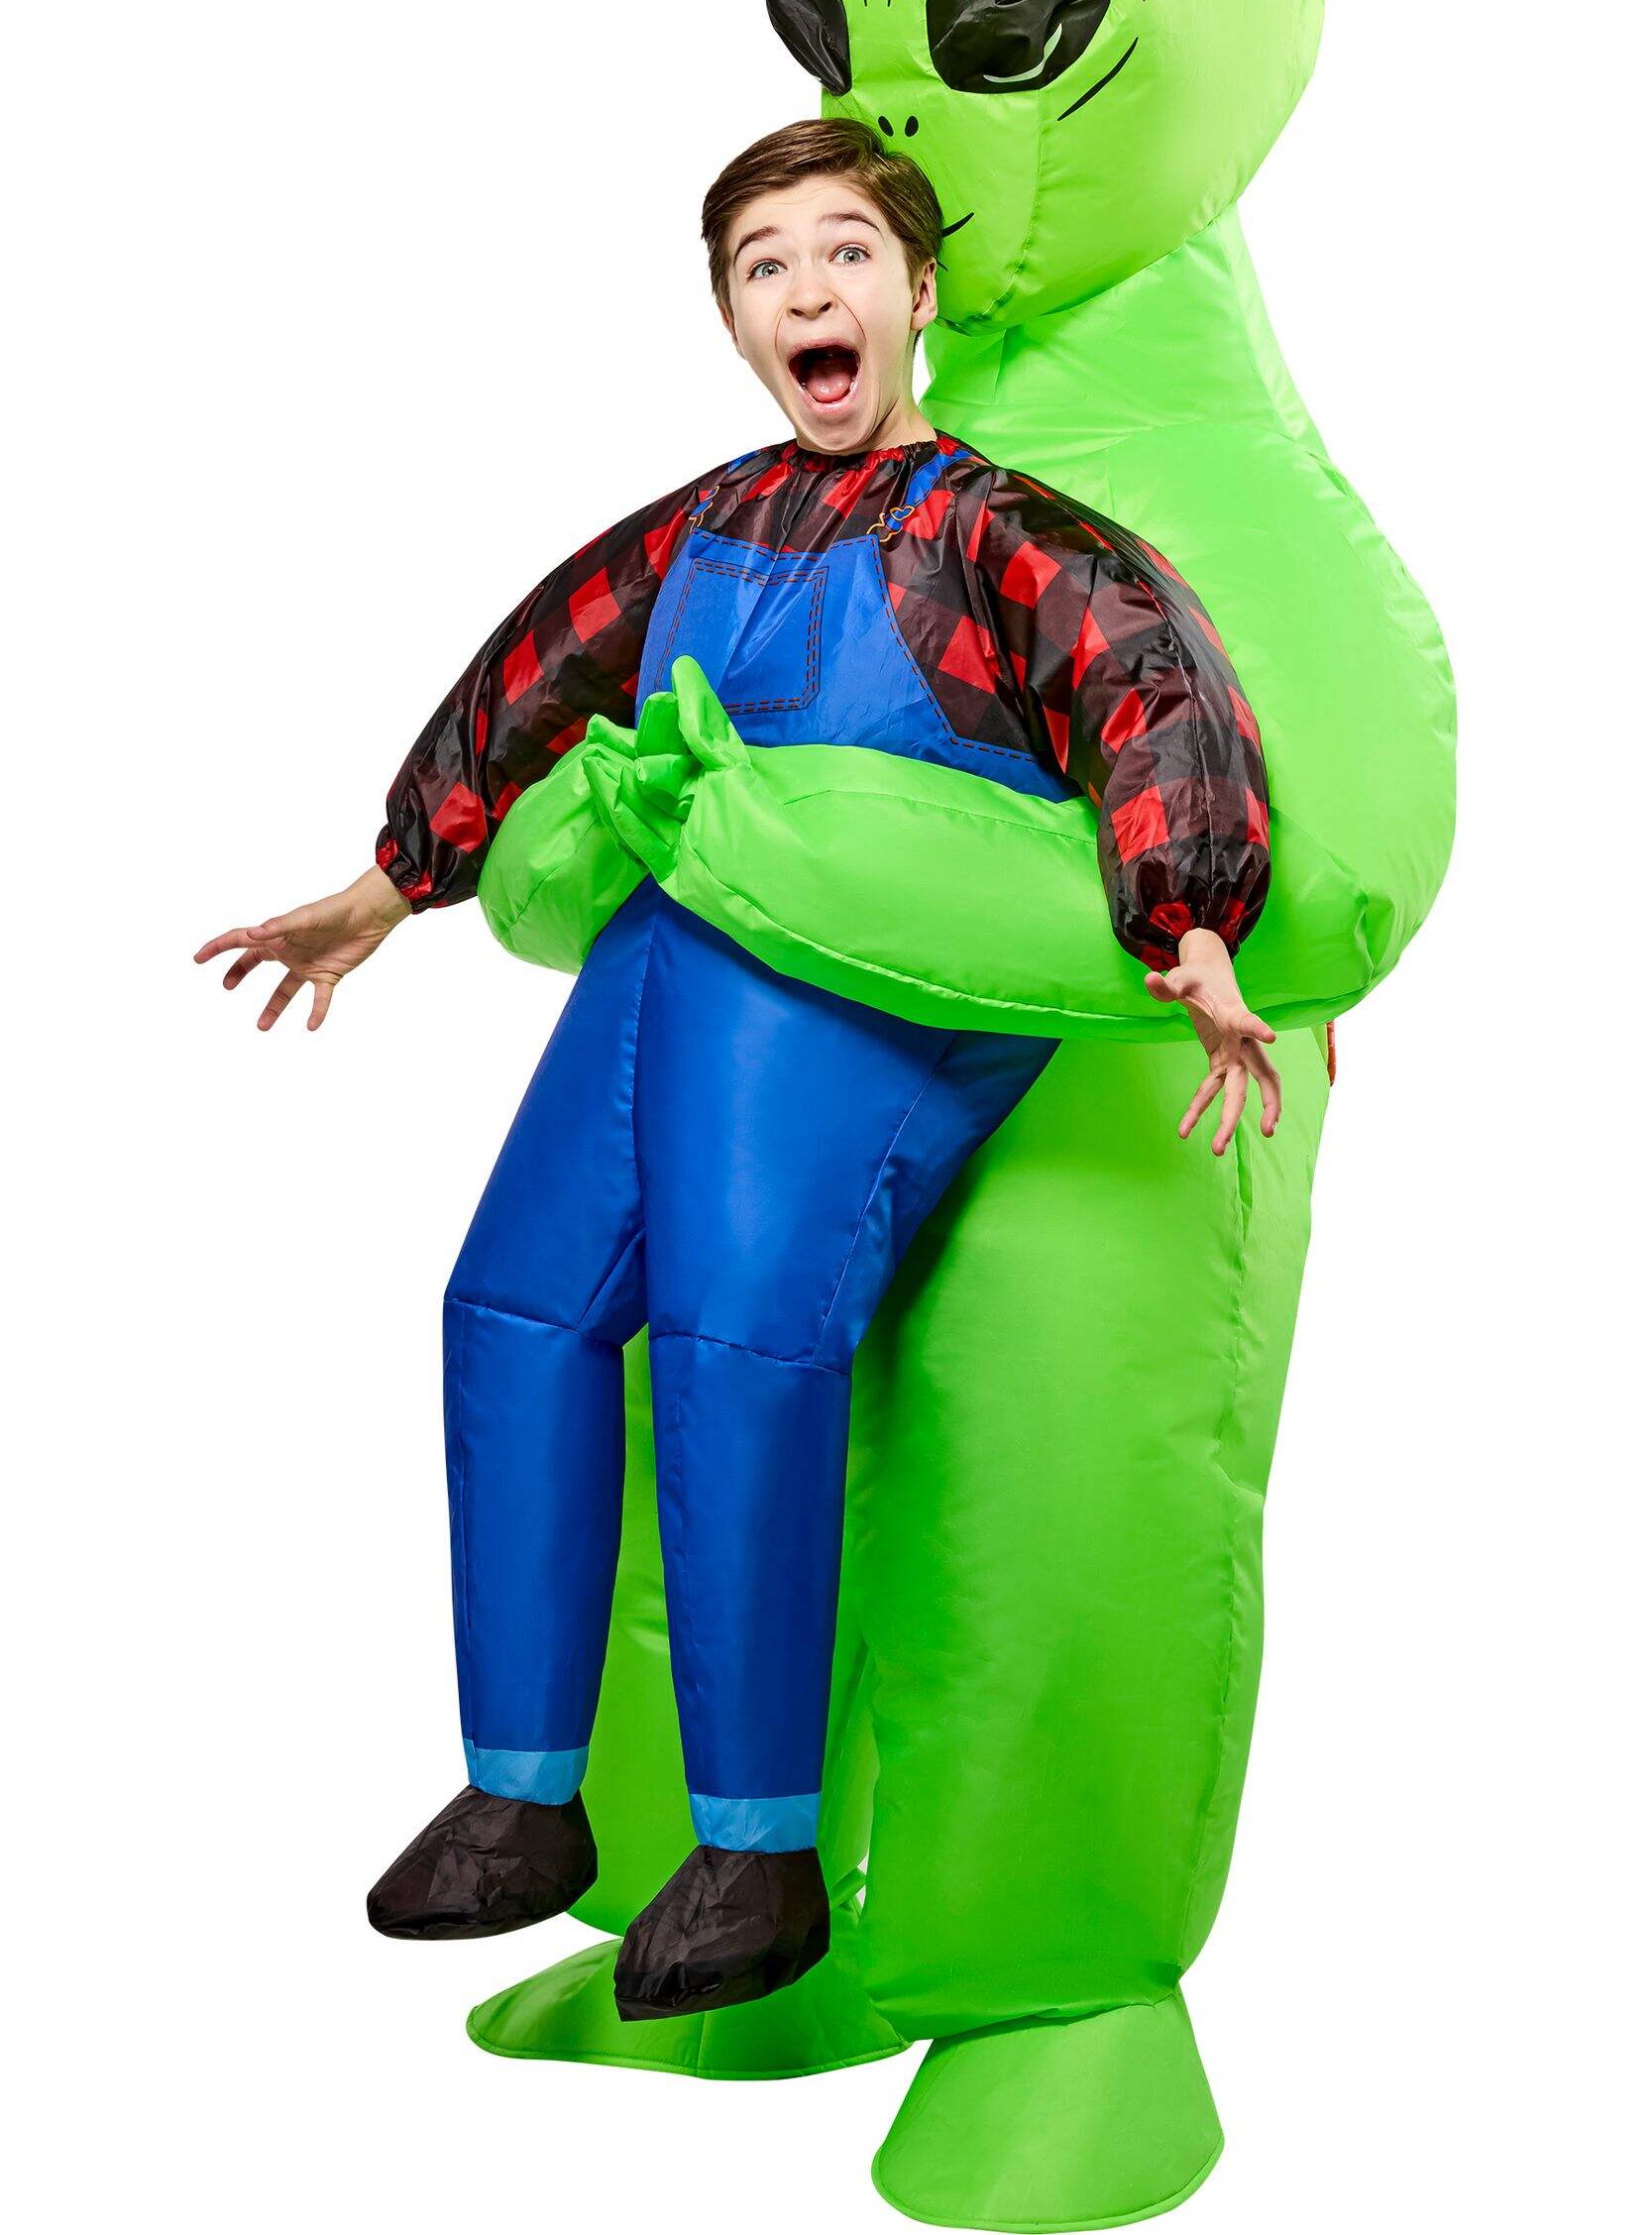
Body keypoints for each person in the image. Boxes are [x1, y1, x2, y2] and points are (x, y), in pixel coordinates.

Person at [194, 118, 1281, 2020]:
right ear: (732, 319)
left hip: (859, 980)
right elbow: (535, 674)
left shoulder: (989, 532)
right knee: (510, 1305)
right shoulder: (700, 529)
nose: (809, 292)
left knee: (735, 1333)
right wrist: (392, 884)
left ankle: (758, 1848)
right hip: (682, 949)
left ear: (919, 293)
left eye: (846, 252)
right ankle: (522, 1796)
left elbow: (1148, 680)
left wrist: (1189, 922)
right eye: (764, 267)